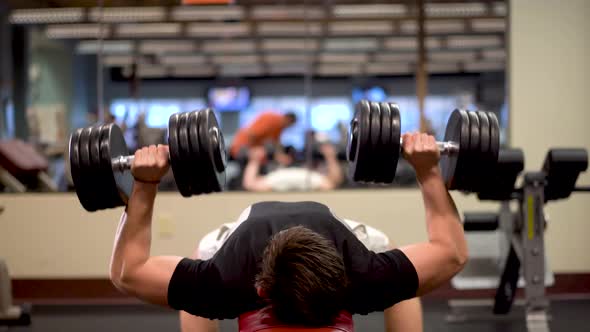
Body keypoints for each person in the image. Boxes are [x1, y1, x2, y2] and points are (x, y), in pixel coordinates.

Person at [109, 132, 468, 330]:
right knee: (200, 273)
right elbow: (451, 251)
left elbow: (128, 273)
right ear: (260, 291)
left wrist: (145, 181)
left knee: (197, 278)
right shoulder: (228, 277)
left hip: (332, 237)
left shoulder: (362, 272)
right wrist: (428, 171)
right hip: (242, 237)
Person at [242, 143, 344, 192]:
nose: (289, 157)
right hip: (277, 183)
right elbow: (250, 184)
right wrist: (255, 160)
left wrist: (330, 157)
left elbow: (334, 182)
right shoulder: (275, 174)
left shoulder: (311, 173)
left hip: (310, 181)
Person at [229, 111, 297, 165]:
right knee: (259, 159)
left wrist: (281, 155)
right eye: (290, 125)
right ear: (288, 119)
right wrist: (253, 150)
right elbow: (252, 134)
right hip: (242, 146)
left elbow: (276, 143)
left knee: (265, 156)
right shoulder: (271, 118)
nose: (288, 128)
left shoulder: (280, 126)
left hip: (251, 147)